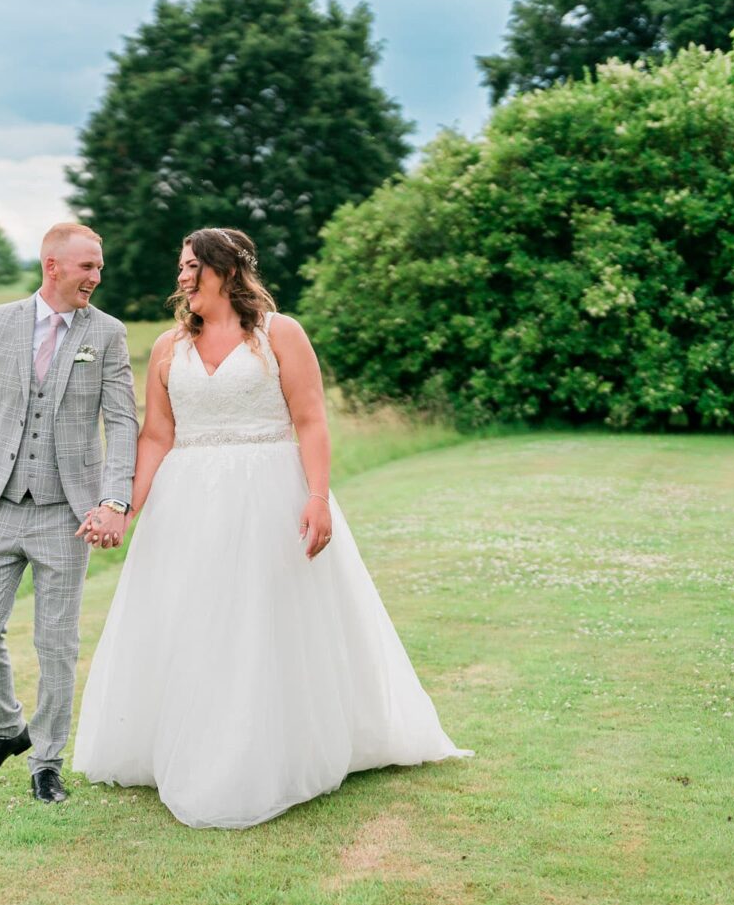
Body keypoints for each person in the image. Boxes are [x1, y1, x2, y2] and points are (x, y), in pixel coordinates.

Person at [71, 226, 473, 828]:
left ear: (225, 271)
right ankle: (192, 742)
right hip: (188, 500)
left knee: (262, 618)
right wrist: (123, 509)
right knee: (191, 619)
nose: (181, 276)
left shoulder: (279, 335)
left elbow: (310, 420)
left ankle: (271, 749)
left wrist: (317, 496)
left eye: (190, 266)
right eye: (180, 266)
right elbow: (157, 436)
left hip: (268, 492)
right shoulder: (165, 348)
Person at [0, 222, 138, 804]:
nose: (96, 278)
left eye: (99, 268)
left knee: (56, 643)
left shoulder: (109, 334)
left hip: (67, 513)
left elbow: (122, 420)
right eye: (87, 268)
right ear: (53, 266)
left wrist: (114, 499)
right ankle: (7, 730)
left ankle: (46, 760)